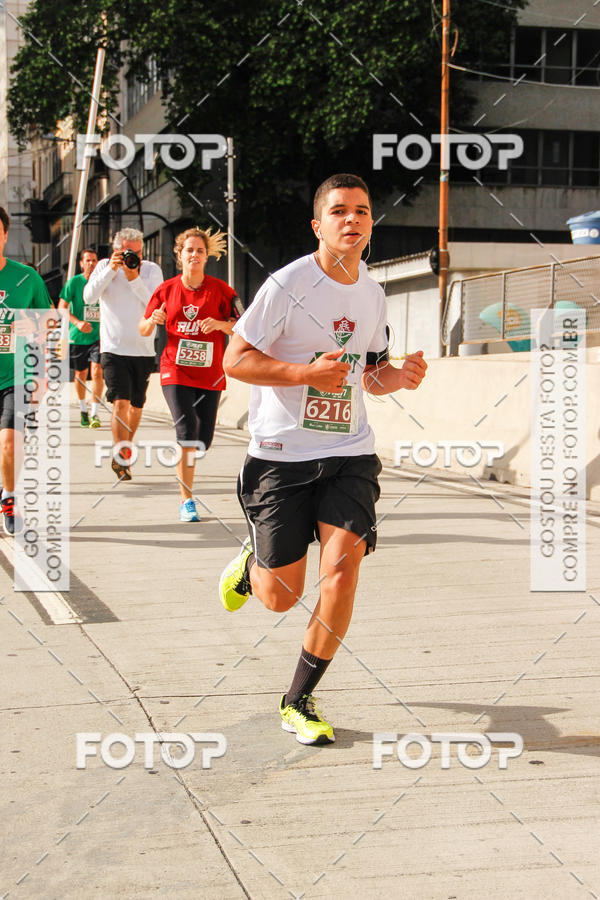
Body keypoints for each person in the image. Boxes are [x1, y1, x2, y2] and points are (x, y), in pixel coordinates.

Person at [218, 174, 427, 745]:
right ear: (318, 224)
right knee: (279, 597)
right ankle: (254, 562)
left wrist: (397, 378)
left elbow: (370, 374)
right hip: (281, 456)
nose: (352, 220)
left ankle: (298, 699)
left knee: (342, 571)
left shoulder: (374, 293)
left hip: (348, 453)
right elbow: (234, 360)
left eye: (362, 211)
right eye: (339, 211)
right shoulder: (287, 286)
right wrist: (302, 374)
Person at [140, 227, 242, 522]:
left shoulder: (222, 290)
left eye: (199, 250)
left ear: (207, 255)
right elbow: (143, 328)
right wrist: (152, 320)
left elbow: (240, 324)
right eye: (189, 250)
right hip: (175, 370)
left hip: (210, 373)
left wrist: (221, 325)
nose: (194, 255)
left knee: (202, 440)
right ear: (180, 255)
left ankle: (188, 460)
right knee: (186, 434)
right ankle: (186, 500)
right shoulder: (166, 290)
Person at [83, 228, 163, 480]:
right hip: (113, 348)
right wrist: (111, 270)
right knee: (120, 402)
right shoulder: (105, 266)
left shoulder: (151, 270)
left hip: (143, 349)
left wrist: (133, 277)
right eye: (128, 252)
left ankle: (125, 449)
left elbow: (156, 304)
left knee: (137, 406)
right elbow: (88, 297)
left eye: (138, 252)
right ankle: (121, 456)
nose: (134, 257)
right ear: (116, 249)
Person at [0, 206, 53, 533]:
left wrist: (31, 324)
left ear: (5, 235)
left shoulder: (26, 277)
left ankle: (9, 498)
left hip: (15, 375)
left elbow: (49, 321)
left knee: (9, 442)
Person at [58, 248, 103, 427]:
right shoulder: (74, 283)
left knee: (97, 371)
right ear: (81, 263)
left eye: (94, 260)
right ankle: (83, 409)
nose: (91, 263)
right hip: (78, 336)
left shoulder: (103, 282)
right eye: (88, 260)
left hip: (99, 335)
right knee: (80, 374)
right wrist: (76, 323)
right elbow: (62, 307)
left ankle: (95, 413)